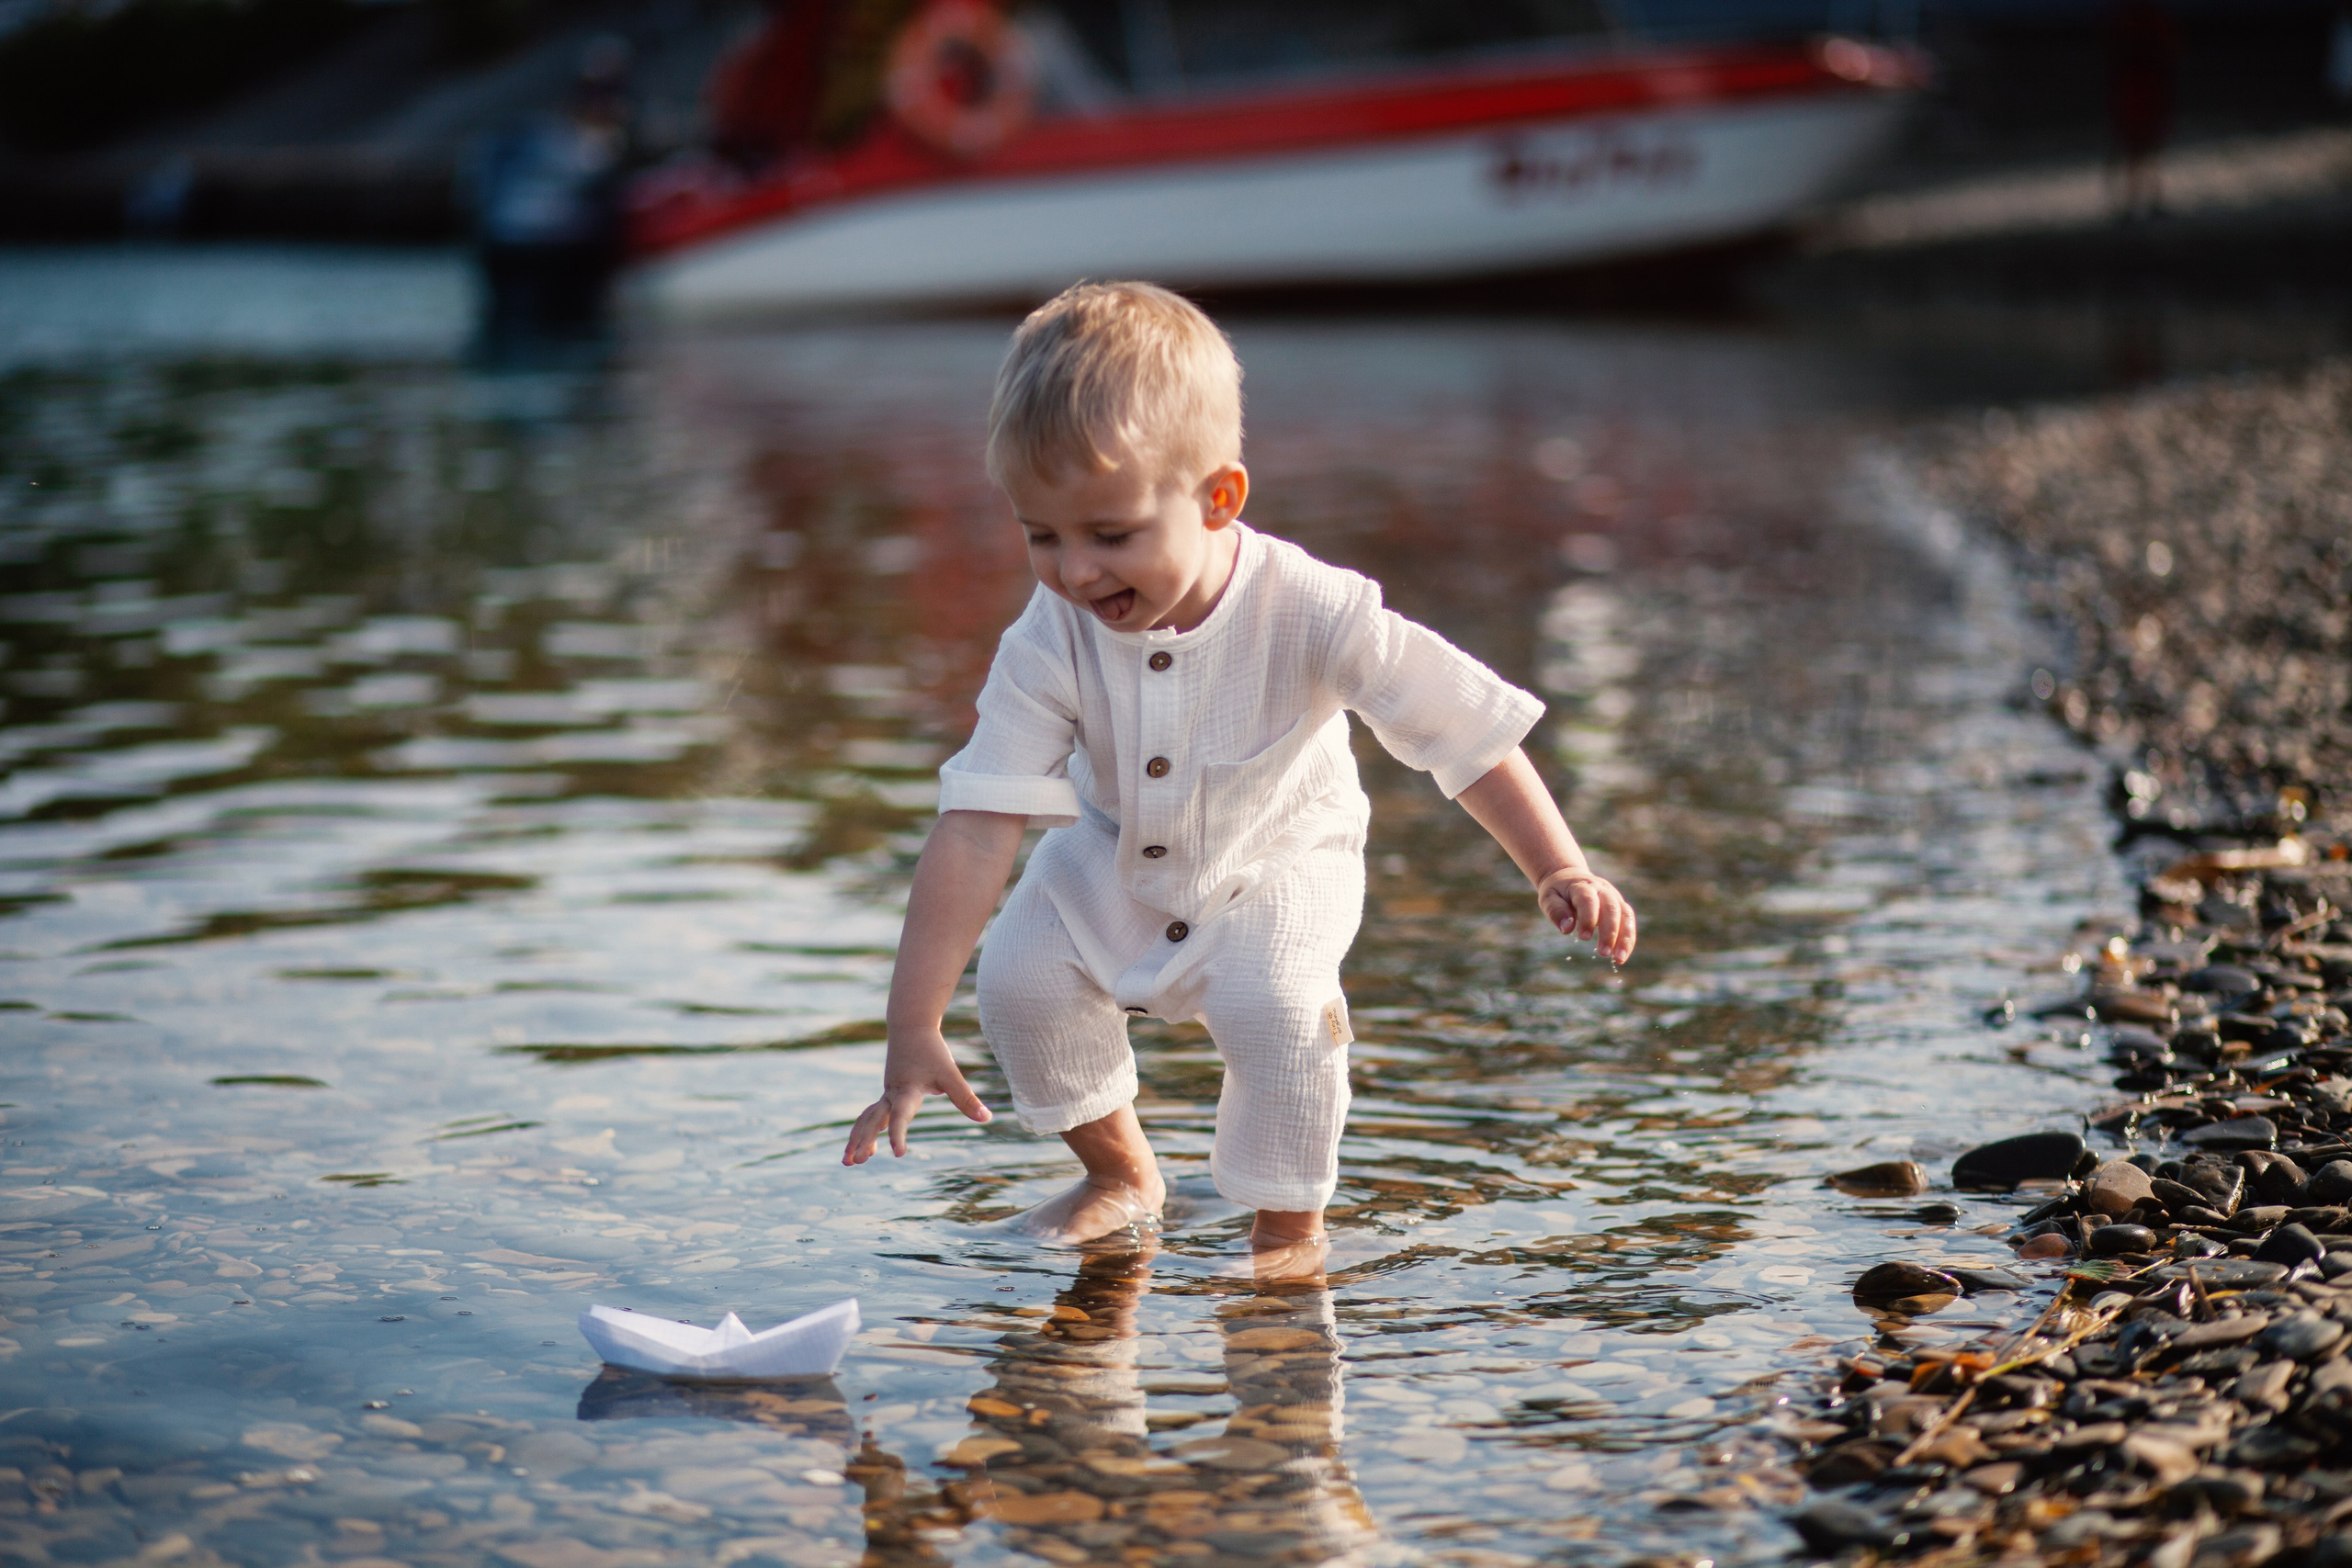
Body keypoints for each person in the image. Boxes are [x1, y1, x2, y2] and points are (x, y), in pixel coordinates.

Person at [839, 282, 1635, 1269]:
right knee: (1020, 975)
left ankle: (1286, 1233)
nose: (1075, 572)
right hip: (1111, 851)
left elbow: (1462, 732)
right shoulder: (1051, 637)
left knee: (1282, 1012)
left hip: (1279, 861)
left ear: (1218, 499)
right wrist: (913, 1020)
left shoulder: (1313, 608)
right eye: (1041, 534)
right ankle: (1119, 1174)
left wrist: (1558, 866)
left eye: (1110, 535)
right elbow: (975, 825)